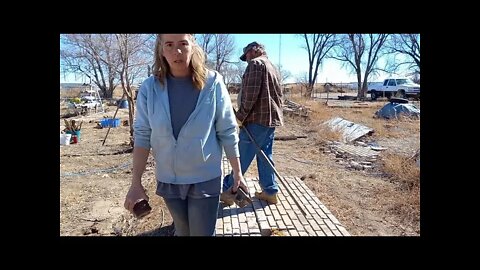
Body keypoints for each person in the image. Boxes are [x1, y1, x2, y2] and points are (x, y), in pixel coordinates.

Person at [124, 34, 246, 236]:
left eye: (183, 44)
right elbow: (143, 135)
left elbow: (227, 129)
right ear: (161, 49)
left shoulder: (213, 83)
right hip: (169, 179)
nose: (176, 51)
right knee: (182, 231)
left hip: (204, 177)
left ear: (192, 46)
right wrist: (135, 183)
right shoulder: (149, 88)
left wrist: (237, 172)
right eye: (169, 45)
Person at [221, 41, 284, 205]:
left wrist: (240, 117)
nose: (246, 59)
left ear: (255, 51)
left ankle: (227, 189)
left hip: (256, 120)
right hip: (269, 121)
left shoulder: (256, 64)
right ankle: (270, 191)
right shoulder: (272, 67)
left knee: (241, 156)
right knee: (265, 156)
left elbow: (250, 95)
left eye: (247, 54)